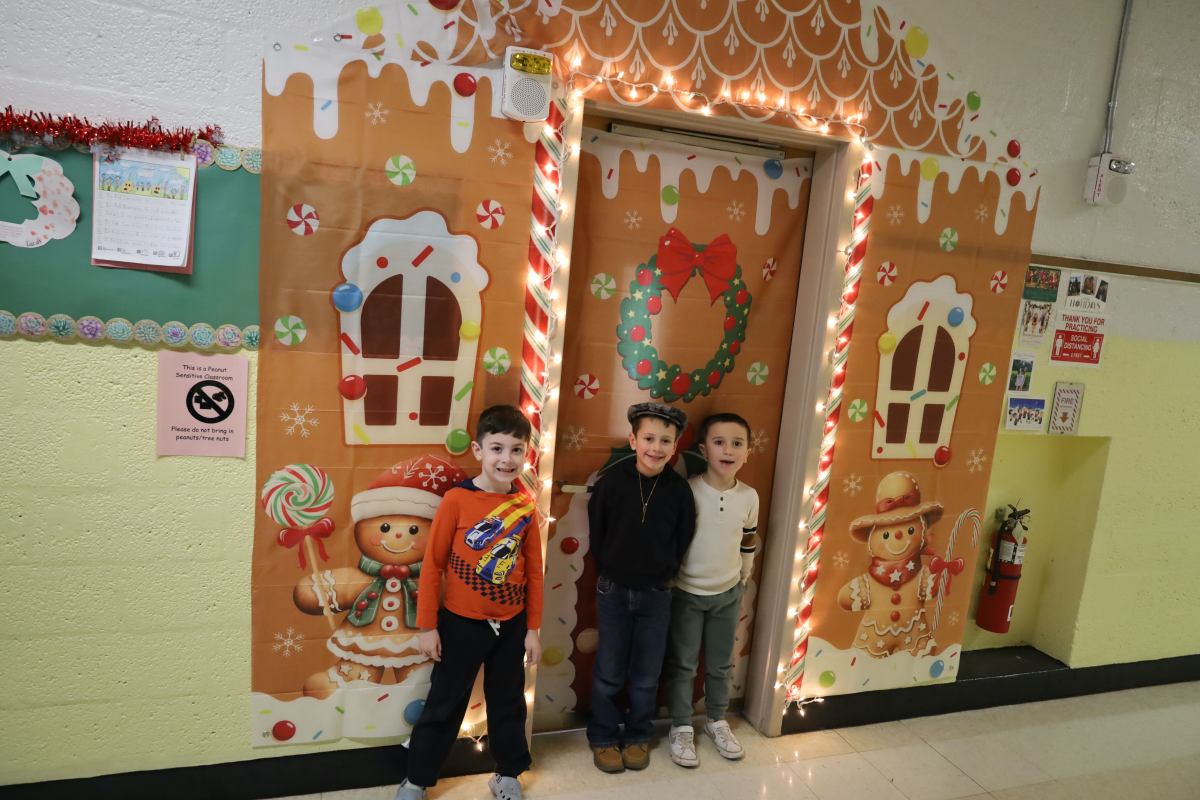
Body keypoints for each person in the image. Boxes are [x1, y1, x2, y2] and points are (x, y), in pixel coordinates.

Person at [396, 406, 543, 800]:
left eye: (516, 450)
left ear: (526, 454)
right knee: (444, 704)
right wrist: (428, 626)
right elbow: (432, 566)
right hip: (460, 625)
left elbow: (534, 574)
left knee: (509, 704)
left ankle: (508, 773)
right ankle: (417, 779)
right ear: (478, 450)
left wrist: (533, 629)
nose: (506, 459)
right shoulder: (456, 500)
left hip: (511, 626)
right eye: (497, 448)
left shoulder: (525, 507)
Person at [586, 402, 696, 773]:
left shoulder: (679, 492)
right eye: (649, 438)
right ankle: (602, 736)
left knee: (647, 673)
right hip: (613, 590)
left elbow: (683, 538)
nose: (656, 447)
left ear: (676, 446)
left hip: (657, 593)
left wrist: (664, 572)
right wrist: (613, 568)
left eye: (666, 440)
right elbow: (597, 536)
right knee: (609, 670)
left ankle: (637, 735)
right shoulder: (610, 485)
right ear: (633, 440)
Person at [663, 413, 759, 768]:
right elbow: (674, 539)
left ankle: (717, 719)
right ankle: (682, 725)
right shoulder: (687, 489)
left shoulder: (749, 496)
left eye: (737, 443)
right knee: (684, 664)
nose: (728, 450)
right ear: (704, 449)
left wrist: (744, 575)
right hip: (687, 592)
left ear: (748, 451)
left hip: (729, 592)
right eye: (719, 442)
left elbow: (748, 539)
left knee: (721, 663)